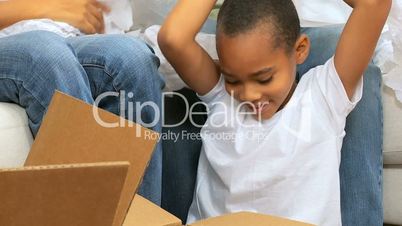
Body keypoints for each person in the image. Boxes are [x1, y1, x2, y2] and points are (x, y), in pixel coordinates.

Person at [158, 0, 390, 225]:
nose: (248, 94)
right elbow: (173, 39)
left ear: (300, 50)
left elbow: (374, 4)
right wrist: (229, 84)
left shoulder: (323, 97)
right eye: (232, 79)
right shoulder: (222, 98)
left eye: (264, 78)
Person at [0, 0, 164, 205]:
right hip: (22, 41)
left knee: (133, 59)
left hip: (64, 36)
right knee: (49, 55)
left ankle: (144, 218)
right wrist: (43, 7)